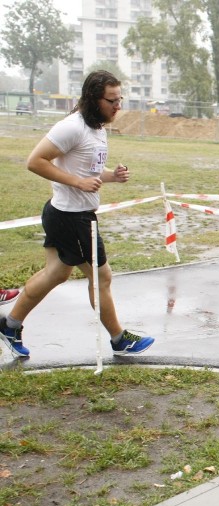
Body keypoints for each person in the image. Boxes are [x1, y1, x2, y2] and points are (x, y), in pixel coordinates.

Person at [0, 70, 154, 359]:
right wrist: (77, 183)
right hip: (73, 217)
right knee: (102, 278)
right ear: (94, 99)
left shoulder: (97, 128)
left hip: (67, 213)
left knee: (55, 274)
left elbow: (87, 173)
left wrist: (112, 177)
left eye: (120, 99)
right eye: (112, 100)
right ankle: (119, 339)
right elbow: (35, 161)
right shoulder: (72, 127)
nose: (117, 106)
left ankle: (9, 324)